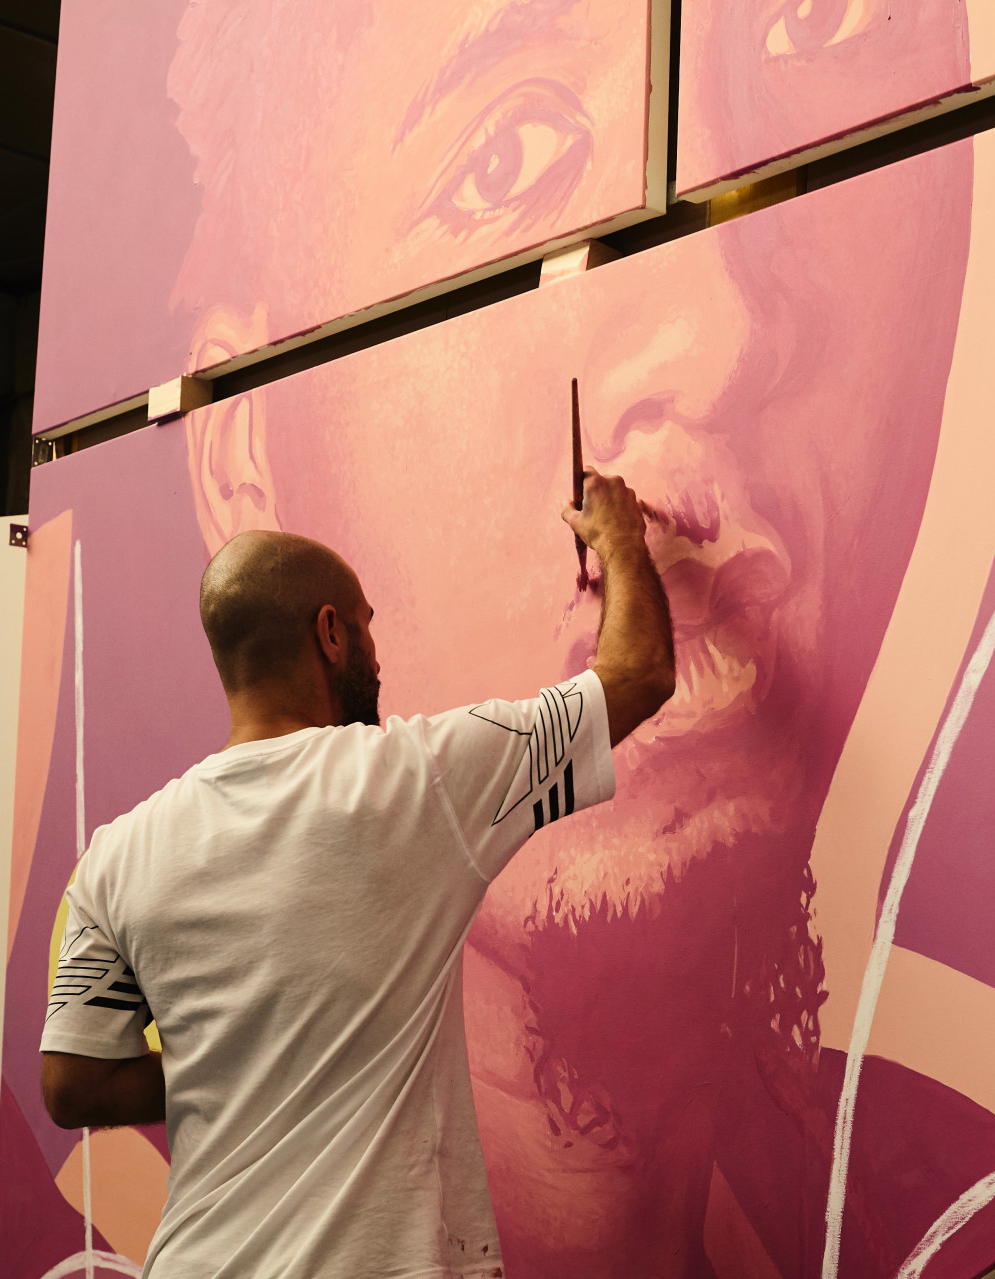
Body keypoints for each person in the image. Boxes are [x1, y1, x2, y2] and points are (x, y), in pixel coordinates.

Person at [38, 472, 675, 1278]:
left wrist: (231, 1064)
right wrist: (619, 537)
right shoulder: (418, 779)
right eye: (369, 627)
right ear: (331, 632)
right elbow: (638, 674)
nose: (378, 654)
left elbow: (74, 1084)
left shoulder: (117, 854)